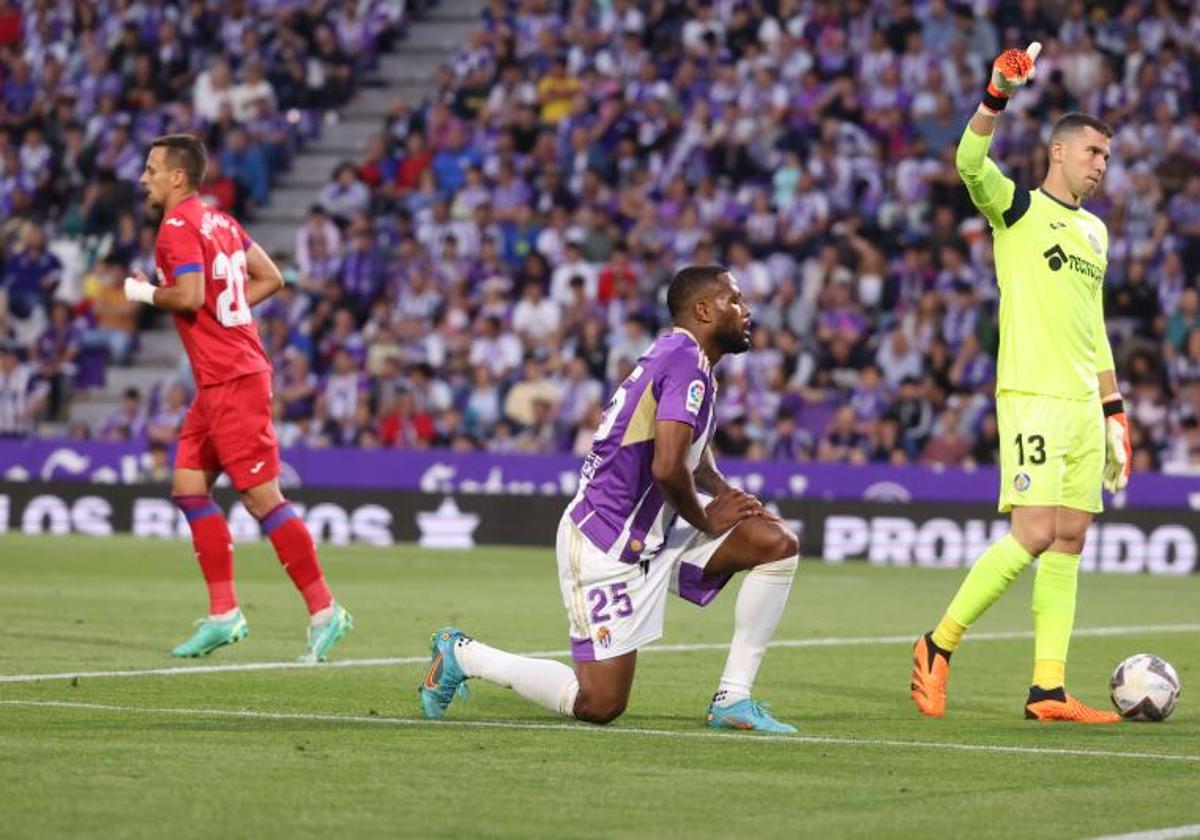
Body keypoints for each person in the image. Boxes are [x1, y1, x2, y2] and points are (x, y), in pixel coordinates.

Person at [419, 266, 801, 732]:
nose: (746, 311)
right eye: (734, 301)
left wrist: (723, 492)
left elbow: (688, 455)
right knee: (600, 704)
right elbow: (666, 467)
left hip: (651, 537)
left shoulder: (685, 358)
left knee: (775, 544)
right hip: (605, 543)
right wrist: (706, 518)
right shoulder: (685, 362)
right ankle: (463, 654)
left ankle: (732, 698)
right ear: (704, 310)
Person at [910, 45, 1129, 724]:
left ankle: (1049, 689)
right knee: (1033, 531)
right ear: (1059, 153)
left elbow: (1094, 328)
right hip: (1031, 396)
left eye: (1107, 157)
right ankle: (937, 644)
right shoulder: (1018, 211)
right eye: (1093, 152)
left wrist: (1114, 411)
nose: (1101, 165)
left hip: (1081, 405)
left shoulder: (1095, 234)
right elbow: (968, 164)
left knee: (1070, 536)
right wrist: (996, 95)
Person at [124, 134, 351, 661]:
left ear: (178, 177)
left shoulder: (176, 227)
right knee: (187, 487)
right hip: (219, 381)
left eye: (152, 168)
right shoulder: (221, 221)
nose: (144, 177)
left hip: (234, 380)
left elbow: (189, 295)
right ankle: (224, 613)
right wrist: (230, 313)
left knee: (260, 498)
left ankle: (325, 610)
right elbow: (270, 277)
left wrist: (141, 292)